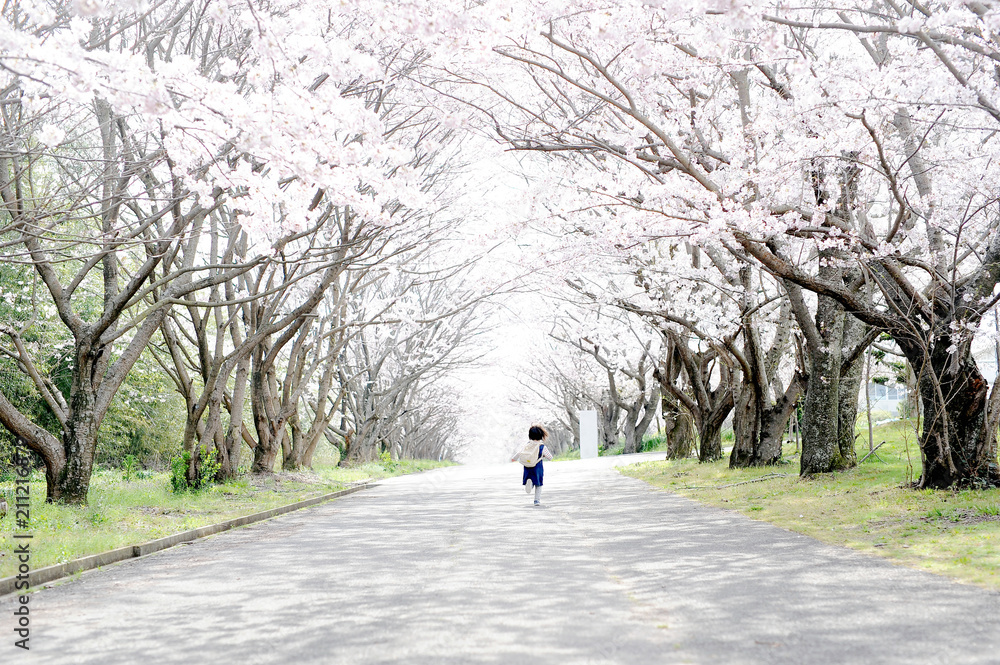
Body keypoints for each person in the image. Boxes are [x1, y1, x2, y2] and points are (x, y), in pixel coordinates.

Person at [511, 424, 553, 505]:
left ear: (530, 435)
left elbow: (519, 453)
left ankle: (530, 485)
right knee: (539, 484)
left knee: (530, 480)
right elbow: (550, 457)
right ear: (541, 435)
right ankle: (537, 500)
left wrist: (513, 459)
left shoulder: (527, 445)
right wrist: (543, 455)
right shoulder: (542, 447)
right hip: (537, 467)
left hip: (527, 466)